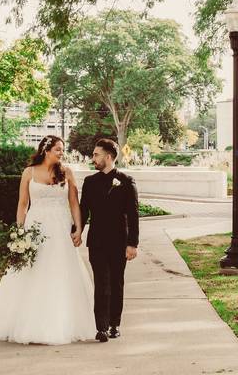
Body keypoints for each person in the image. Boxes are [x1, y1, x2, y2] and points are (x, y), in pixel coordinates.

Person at [0, 135, 96, 344]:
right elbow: (23, 204)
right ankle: (23, 320)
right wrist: (19, 231)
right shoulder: (29, 172)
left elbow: (74, 203)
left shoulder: (67, 172)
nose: (62, 153)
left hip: (60, 229)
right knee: (31, 271)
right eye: (58, 149)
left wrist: (78, 228)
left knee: (60, 271)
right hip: (36, 228)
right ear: (46, 150)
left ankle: (61, 322)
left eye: (63, 149)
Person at [79, 138, 140, 342]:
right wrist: (76, 230)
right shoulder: (89, 182)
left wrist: (133, 244)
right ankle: (101, 327)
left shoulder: (126, 181)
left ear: (109, 156)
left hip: (119, 242)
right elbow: (83, 211)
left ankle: (115, 324)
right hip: (96, 241)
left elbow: (133, 215)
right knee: (101, 284)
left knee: (116, 283)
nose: (93, 158)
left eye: (96, 154)